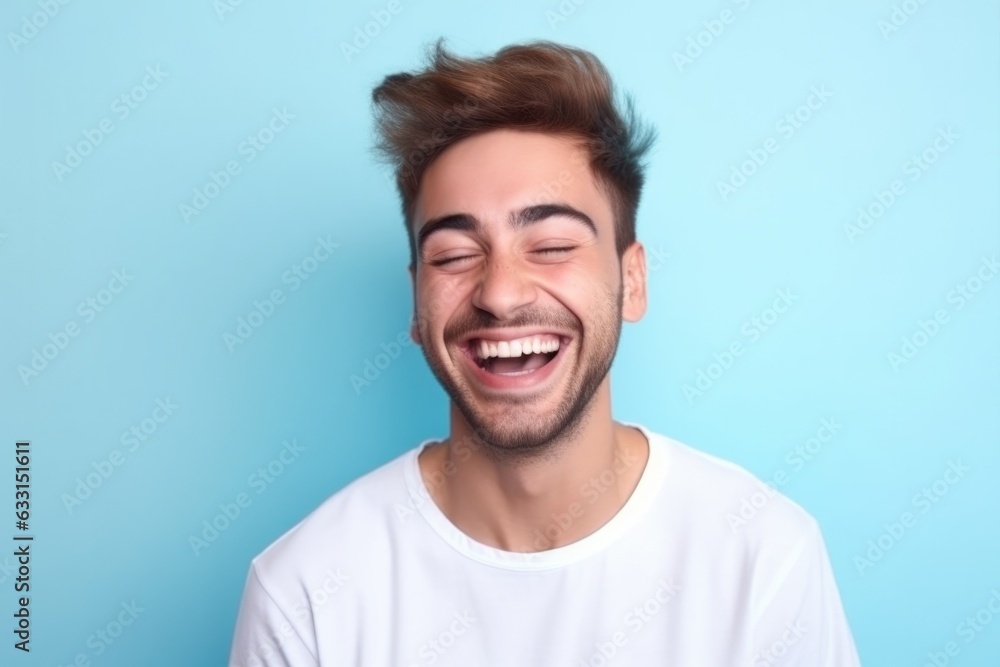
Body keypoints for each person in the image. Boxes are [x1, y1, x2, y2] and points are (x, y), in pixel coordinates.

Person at [229, 40, 862, 666]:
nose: (500, 295)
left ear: (632, 281)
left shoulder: (762, 558)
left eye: (553, 245)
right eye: (453, 255)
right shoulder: (306, 592)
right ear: (417, 303)